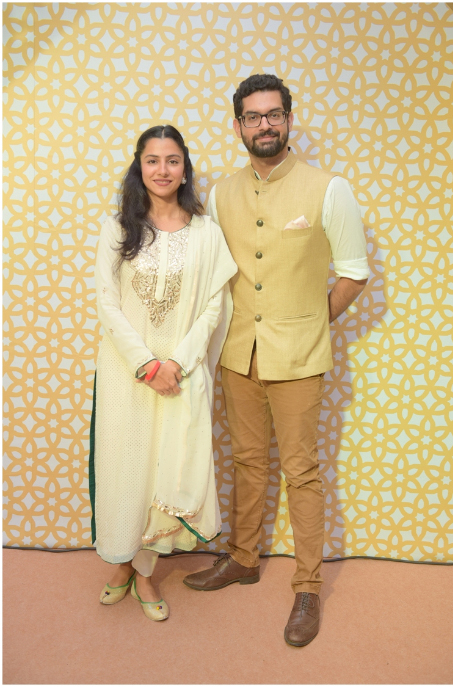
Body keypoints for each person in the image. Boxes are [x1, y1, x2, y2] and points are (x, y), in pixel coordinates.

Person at [182, 74, 370, 647]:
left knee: (301, 470)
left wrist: (312, 322)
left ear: (288, 119)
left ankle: (308, 587)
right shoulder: (220, 195)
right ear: (238, 125)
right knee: (245, 461)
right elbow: (212, 272)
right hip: (238, 353)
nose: (264, 124)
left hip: (299, 358)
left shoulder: (329, 188)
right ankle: (243, 557)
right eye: (252, 116)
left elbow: (354, 273)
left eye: (273, 114)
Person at [92, 125, 237, 621]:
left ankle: (145, 572)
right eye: (152, 160)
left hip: (181, 374)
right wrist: (146, 364)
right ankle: (121, 560)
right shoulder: (118, 229)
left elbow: (214, 305)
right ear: (140, 166)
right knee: (126, 467)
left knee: (166, 468)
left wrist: (175, 363)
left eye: (172, 160)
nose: (162, 170)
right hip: (126, 374)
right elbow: (107, 304)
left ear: (184, 169)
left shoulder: (206, 233)